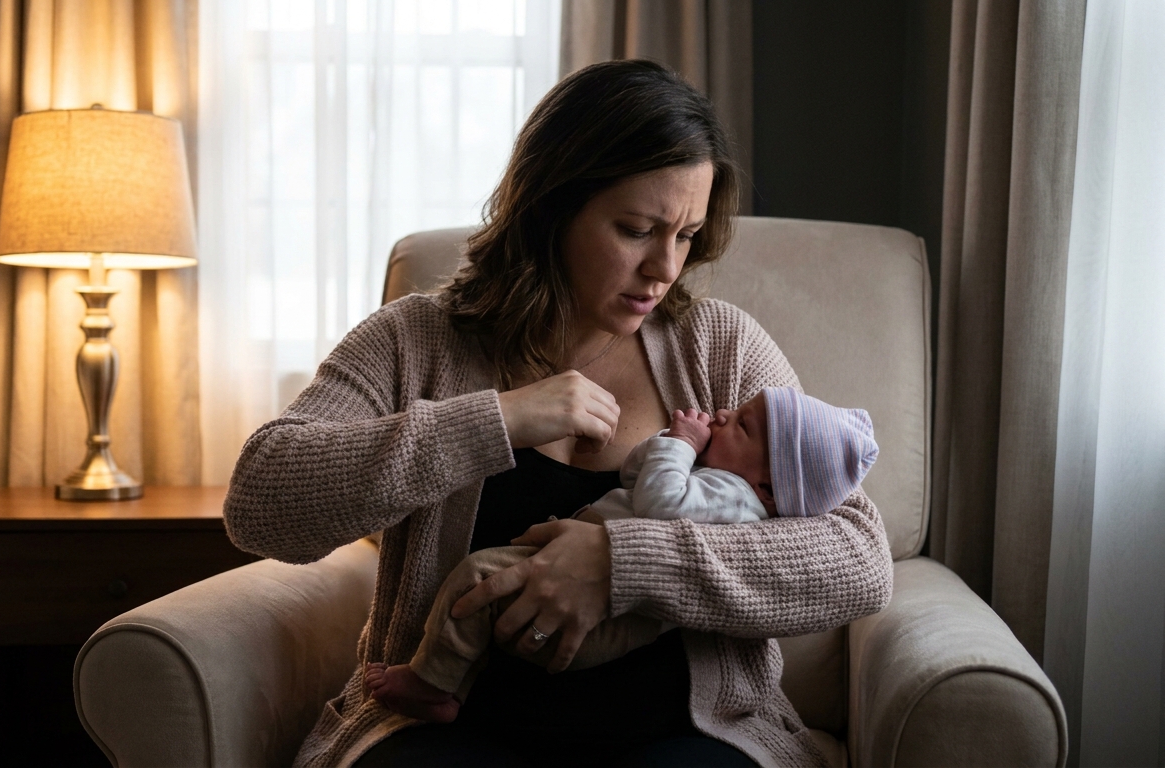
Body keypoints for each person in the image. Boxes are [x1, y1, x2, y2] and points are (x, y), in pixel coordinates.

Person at [224, 59, 894, 768]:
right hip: (450, 733)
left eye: (687, 236)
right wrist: (495, 421)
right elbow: (262, 505)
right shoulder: (415, 340)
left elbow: (859, 560)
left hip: (686, 740)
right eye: (637, 229)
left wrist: (620, 562)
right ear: (550, 209)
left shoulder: (719, 347)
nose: (665, 268)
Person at [362, 388, 880, 724]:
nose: (724, 413)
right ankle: (454, 687)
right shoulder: (721, 479)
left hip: (621, 631)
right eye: (634, 229)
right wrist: (667, 444)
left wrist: (620, 559)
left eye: (741, 424)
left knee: (475, 580)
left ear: (770, 488)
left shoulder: (731, 495)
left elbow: (658, 502)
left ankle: (430, 683)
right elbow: (638, 481)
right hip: (522, 709)